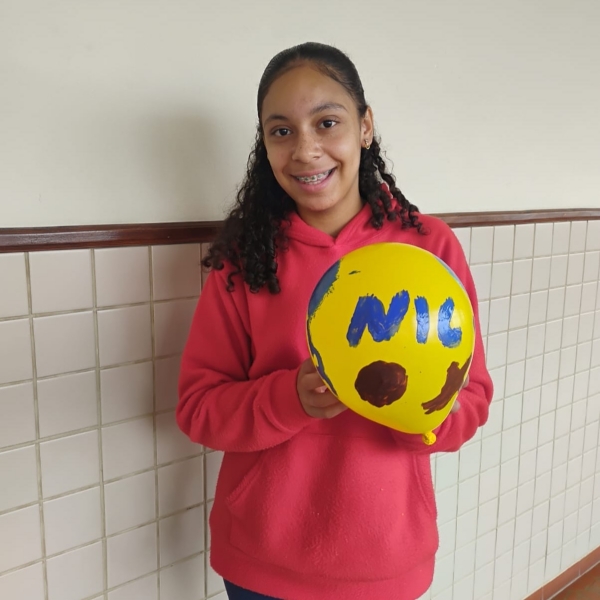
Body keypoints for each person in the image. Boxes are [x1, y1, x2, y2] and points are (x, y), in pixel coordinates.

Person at [177, 42, 493, 600]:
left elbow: (471, 398)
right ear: (265, 144)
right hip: (260, 565)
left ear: (365, 127)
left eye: (327, 122)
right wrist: (289, 400)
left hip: (386, 564)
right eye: (281, 131)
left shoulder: (429, 248)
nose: (305, 150)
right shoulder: (244, 259)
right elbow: (198, 408)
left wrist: (418, 413)